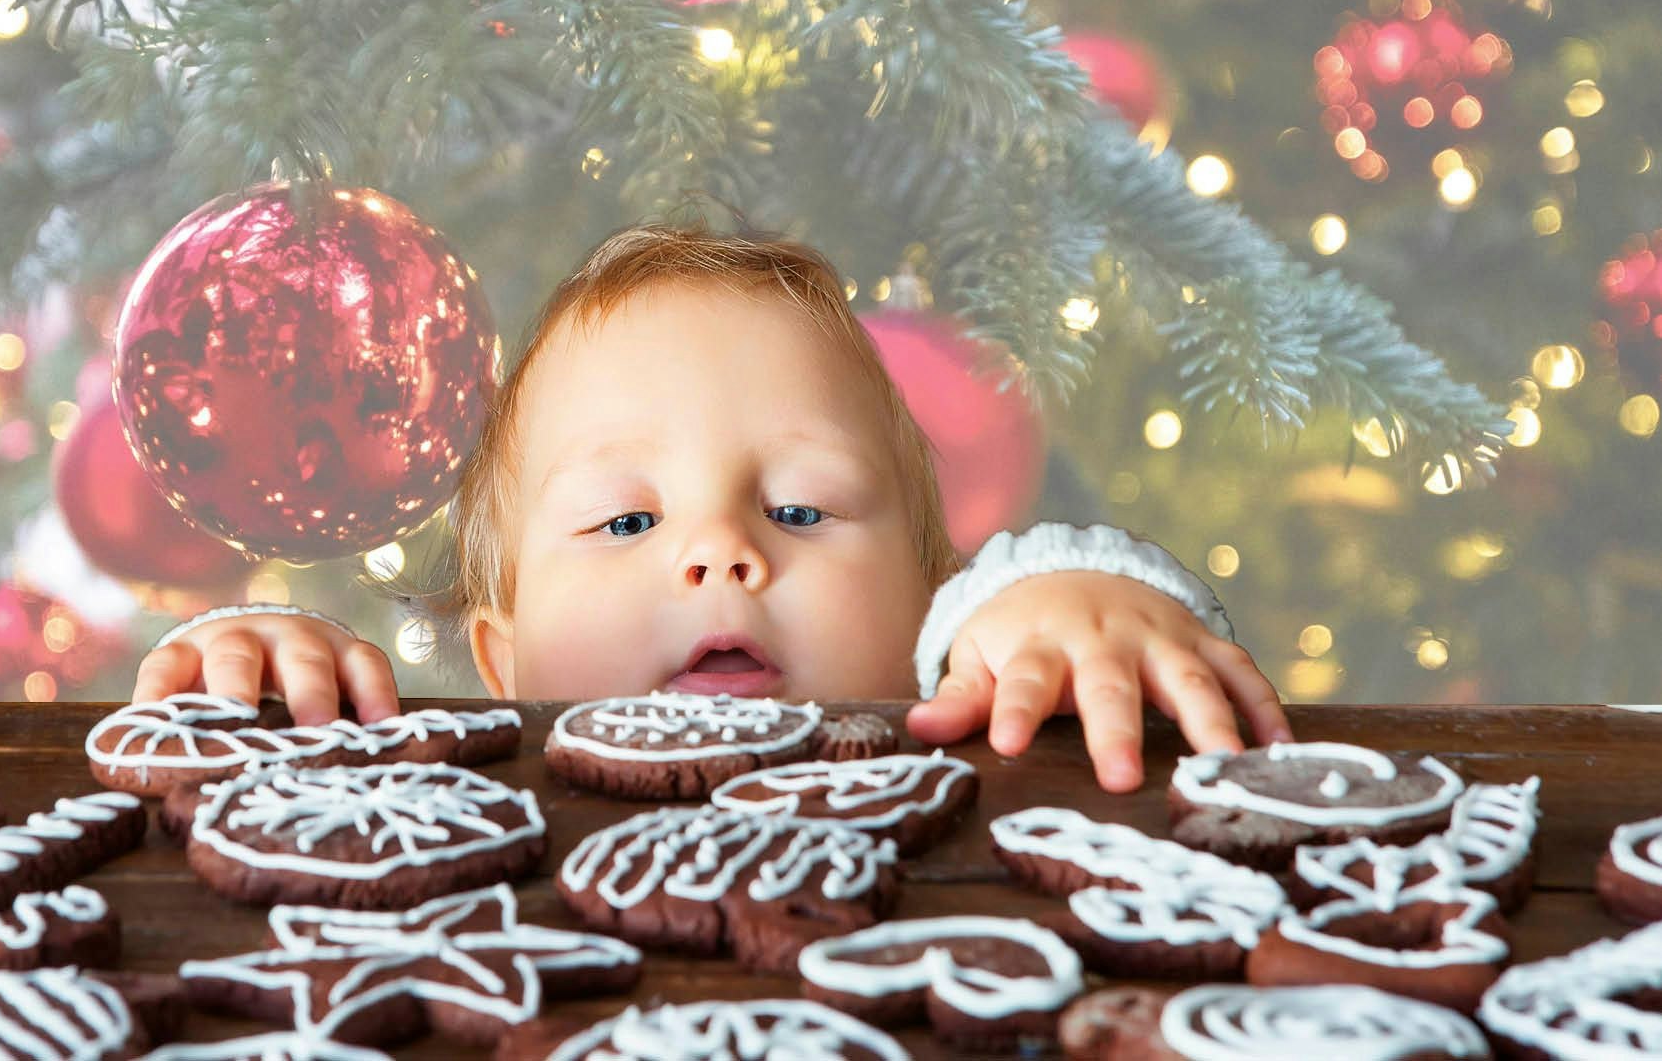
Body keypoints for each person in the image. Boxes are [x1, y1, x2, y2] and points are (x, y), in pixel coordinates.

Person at [130, 220, 1289, 793]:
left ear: (937, 614)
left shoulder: (967, 706)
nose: (721, 552)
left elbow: (1049, 627)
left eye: (800, 510)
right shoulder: (460, 799)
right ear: (503, 654)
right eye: (627, 522)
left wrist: (1079, 600)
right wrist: (268, 679)